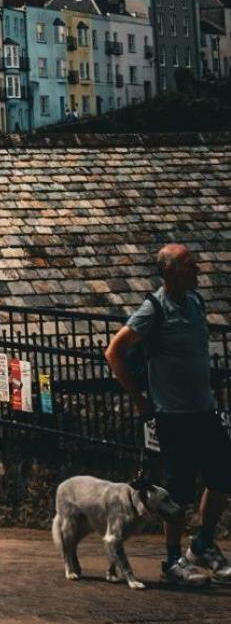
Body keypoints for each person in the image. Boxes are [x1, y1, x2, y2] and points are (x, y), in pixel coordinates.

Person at [106, 244, 231, 587]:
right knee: (180, 489)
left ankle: (202, 545)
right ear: (172, 272)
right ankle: (173, 559)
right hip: (173, 414)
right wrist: (139, 399)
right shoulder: (153, 310)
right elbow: (114, 352)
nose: (198, 270)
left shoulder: (196, 303)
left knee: (222, 475)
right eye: (190, 265)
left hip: (203, 407)